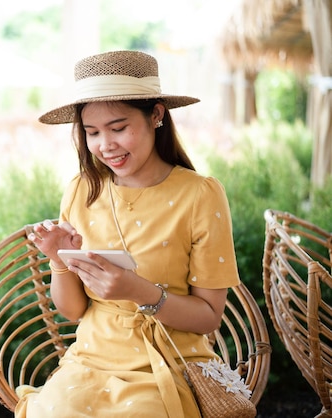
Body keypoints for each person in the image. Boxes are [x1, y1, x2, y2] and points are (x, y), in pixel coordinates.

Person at [15, 50, 241, 418]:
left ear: (156, 116)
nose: (106, 145)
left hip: (167, 363)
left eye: (119, 128)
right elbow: (72, 311)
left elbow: (208, 317)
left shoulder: (200, 194)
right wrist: (58, 260)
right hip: (89, 364)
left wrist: (138, 291)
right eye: (92, 132)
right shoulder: (81, 190)